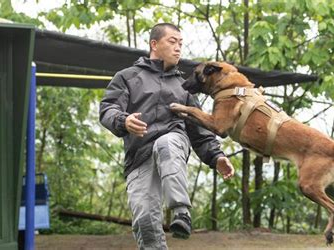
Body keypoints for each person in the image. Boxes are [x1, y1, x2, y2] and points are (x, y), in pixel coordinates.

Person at [99, 23, 235, 249]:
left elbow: (200, 130)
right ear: (154, 44)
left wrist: (216, 156)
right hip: (139, 156)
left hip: (173, 143)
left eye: (181, 44)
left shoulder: (185, 88)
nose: (178, 48)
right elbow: (108, 109)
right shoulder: (127, 77)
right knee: (145, 220)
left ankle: (181, 212)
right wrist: (123, 120)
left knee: (167, 142)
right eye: (172, 42)